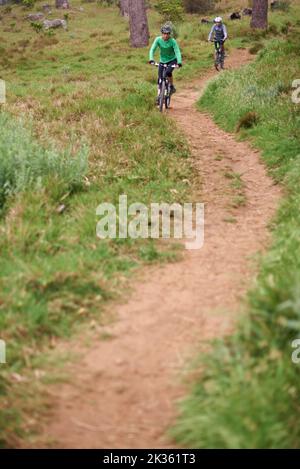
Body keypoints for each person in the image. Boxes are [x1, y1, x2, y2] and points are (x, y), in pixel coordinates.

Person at [149, 25, 182, 104]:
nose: (166, 35)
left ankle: (171, 86)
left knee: (168, 72)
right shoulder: (158, 40)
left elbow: (177, 51)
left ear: (169, 34)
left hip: (172, 60)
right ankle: (159, 95)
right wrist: (151, 59)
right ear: (162, 33)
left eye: (167, 34)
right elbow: (152, 49)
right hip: (162, 61)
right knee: (160, 78)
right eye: (164, 33)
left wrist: (179, 62)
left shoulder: (173, 41)